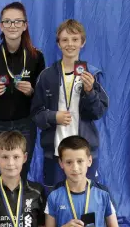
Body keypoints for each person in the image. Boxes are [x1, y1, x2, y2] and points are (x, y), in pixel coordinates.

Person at [31, 19, 109, 191]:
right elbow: (35, 113)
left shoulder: (92, 73)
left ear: (83, 42)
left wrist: (90, 93)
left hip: (84, 152)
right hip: (55, 152)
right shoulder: (47, 76)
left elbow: (98, 112)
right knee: (54, 199)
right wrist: (53, 116)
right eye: (65, 40)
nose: (70, 44)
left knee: (86, 199)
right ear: (58, 44)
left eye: (75, 39)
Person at [0, 1, 45, 182]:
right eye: (7, 21)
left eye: (17, 21)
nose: (12, 26)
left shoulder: (36, 56)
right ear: (1, 25)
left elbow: (43, 95)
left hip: (25, 123)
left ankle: (18, 210)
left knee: (20, 174)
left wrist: (31, 91)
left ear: (25, 25)